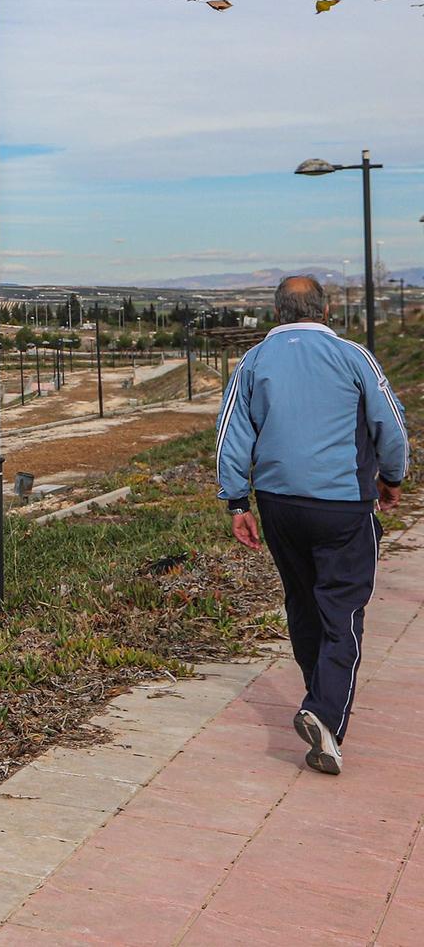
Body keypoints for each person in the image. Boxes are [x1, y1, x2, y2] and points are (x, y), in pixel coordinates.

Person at [218, 274, 407, 775]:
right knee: (343, 610)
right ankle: (323, 713)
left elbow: (232, 433)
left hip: (279, 503)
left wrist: (238, 503)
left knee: (302, 602)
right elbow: (390, 425)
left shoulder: (255, 360)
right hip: (343, 505)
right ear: (325, 310)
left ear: (277, 311)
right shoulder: (354, 357)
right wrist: (392, 478)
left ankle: (316, 698)